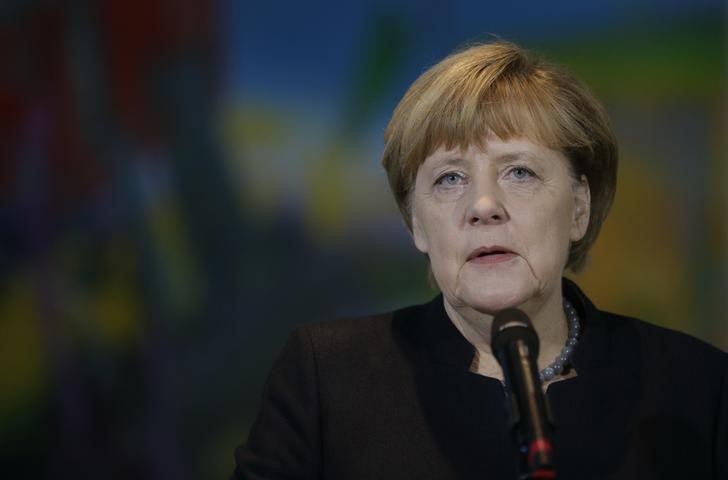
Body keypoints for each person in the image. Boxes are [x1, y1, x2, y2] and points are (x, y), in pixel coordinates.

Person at [232, 41, 727, 479]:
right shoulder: (328, 377)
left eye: (519, 171)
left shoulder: (695, 387)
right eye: (450, 178)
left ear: (579, 208)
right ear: (415, 224)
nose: (483, 205)